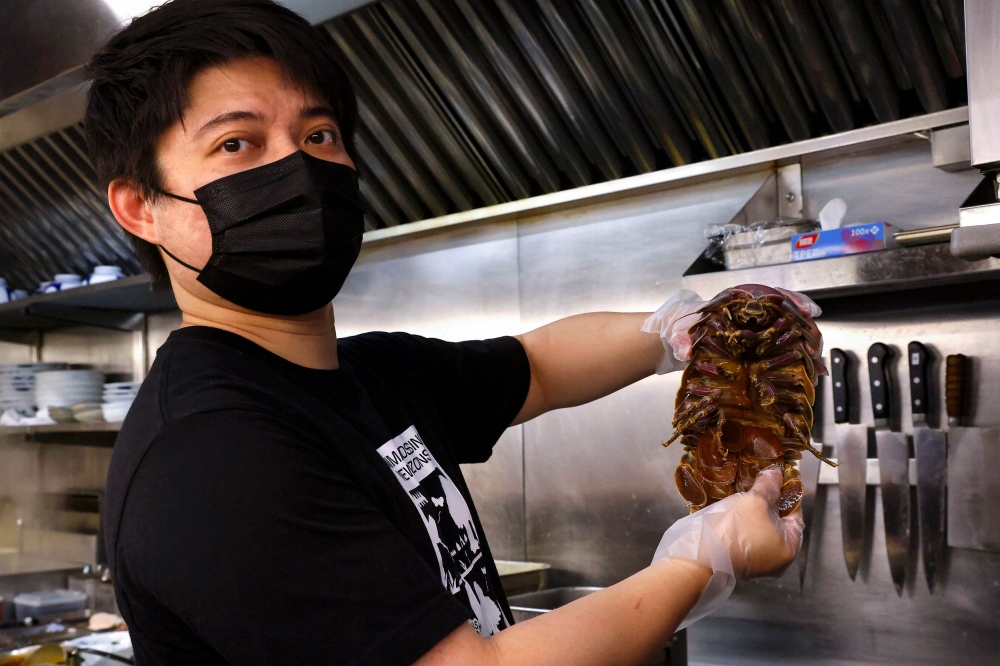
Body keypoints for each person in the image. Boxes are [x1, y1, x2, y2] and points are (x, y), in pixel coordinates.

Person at [88, 1, 808, 664]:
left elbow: (542, 365)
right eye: (237, 145)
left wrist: (685, 329)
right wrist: (704, 559)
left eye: (318, 135)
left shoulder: (367, 375)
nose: (298, 169)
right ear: (140, 207)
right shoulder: (213, 452)